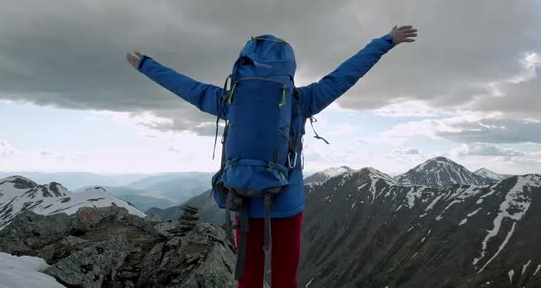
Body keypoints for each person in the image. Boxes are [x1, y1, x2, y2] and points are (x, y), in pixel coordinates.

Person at [126, 25, 417, 288]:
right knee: (284, 279)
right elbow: (346, 74)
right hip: (287, 202)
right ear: (288, 70)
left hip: (243, 197)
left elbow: (186, 87)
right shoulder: (301, 100)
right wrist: (386, 41)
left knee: (248, 277)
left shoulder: (231, 99)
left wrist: (146, 66)